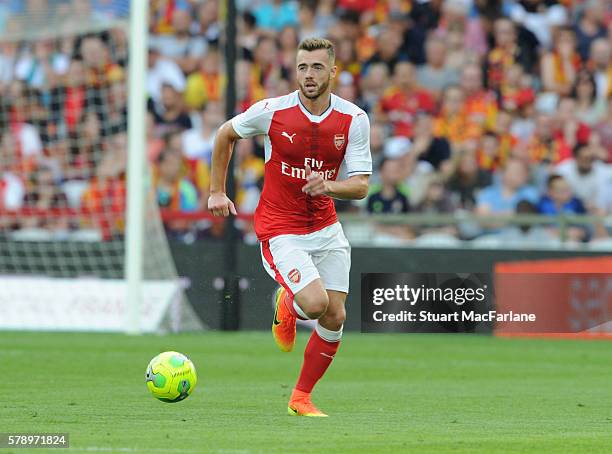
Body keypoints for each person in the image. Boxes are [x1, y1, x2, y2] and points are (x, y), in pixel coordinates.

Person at [208, 38, 371, 417]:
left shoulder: (354, 119)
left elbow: (361, 185)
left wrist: (328, 185)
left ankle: (300, 398)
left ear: (333, 71)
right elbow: (224, 134)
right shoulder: (272, 111)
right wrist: (217, 191)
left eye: (316, 67)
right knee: (315, 304)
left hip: (327, 227)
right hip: (280, 227)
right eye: (302, 67)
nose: (308, 75)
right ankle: (288, 301)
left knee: (336, 316)